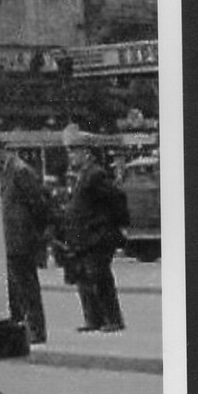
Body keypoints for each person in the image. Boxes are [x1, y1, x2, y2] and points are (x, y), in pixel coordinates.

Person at [60, 126, 129, 333]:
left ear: (86, 153)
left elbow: (116, 199)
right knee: (84, 280)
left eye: (74, 151)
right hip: (82, 237)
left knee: (99, 278)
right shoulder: (80, 175)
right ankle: (93, 319)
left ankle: (112, 319)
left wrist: (107, 225)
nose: (71, 156)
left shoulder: (95, 175)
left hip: (95, 236)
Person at [0, 148, 51, 344]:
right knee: (16, 287)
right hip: (11, 239)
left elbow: (38, 203)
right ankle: (22, 327)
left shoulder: (20, 171)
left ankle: (36, 329)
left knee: (27, 287)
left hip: (22, 238)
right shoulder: (6, 171)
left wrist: (35, 231)